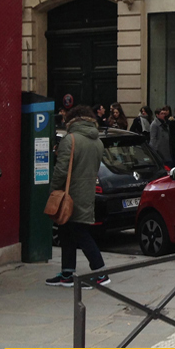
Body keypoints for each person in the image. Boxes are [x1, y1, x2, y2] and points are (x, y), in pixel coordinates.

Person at [46, 106, 109, 287]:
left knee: (79, 232)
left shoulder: (70, 139)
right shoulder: (97, 141)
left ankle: (100, 272)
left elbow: (61, 169)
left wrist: (53, 190)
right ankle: (67, 273)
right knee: (67, 230)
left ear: (72, 120)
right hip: (87, 191)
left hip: (70, 193)